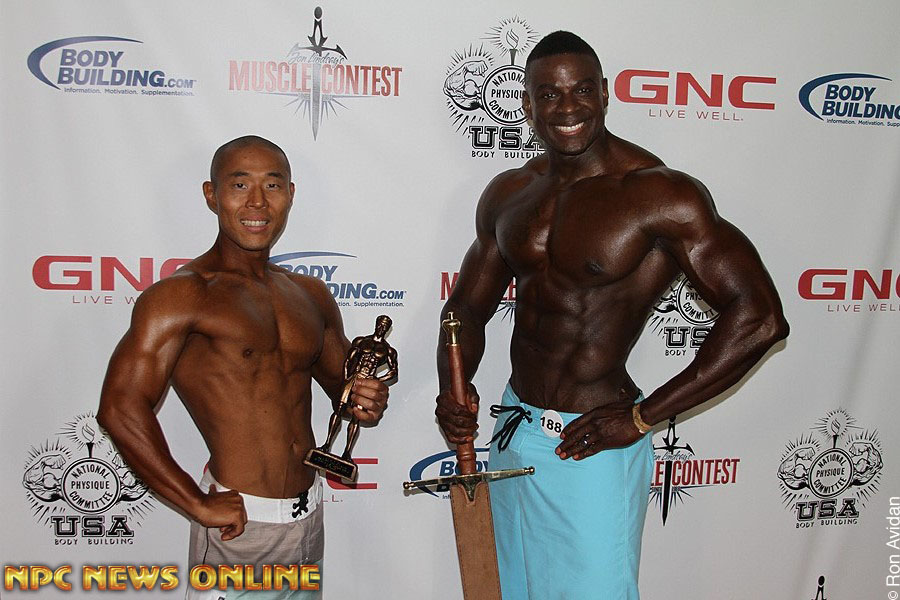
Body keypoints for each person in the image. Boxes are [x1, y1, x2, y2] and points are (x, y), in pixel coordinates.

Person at [435, 32, 788, 599]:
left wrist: (644, 417)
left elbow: (761, 317)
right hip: (513, 428)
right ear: (526, 104)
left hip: (592, 445)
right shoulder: (510, 192)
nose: (566, 108)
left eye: (581, 91)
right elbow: (465, 309)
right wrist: (453, 388)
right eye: (548, 94)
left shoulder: (659, 194)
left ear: (604, 93)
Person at [97, 135, 389, 592]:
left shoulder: (310, 295)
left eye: (272, 185)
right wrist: (195, 502)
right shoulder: (183, 295)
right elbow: (119, 407)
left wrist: (366, 398)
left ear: (290, 194)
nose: (257, 202)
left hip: (308, 515)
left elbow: (345, 394)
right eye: (239, 185)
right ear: (211, 195)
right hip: (240, 527)